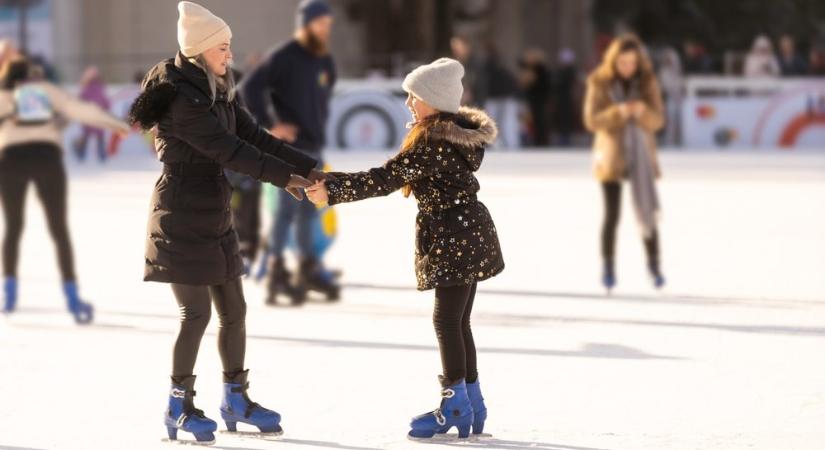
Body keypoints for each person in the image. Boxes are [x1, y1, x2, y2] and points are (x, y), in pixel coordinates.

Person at [127, 2, 328, 444]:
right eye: (222, 47)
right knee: (195, 314)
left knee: (234, 311)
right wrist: (286, 179)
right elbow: (229, 150)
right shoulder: (181, 100)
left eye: (229, 46)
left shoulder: (218, 88)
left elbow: (253, 136)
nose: (229, 55)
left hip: (214, 209)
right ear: (199, 51)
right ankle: (177, 406)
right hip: (179, 213)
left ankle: (235, 400)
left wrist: (311, 168)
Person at [306, 58, 504, 441]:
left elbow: (384, 179)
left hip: (453, 234)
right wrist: (329, 183)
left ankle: (455, 405)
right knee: (458, 321)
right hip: (469, 231)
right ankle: (472, 402)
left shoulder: (434, 142)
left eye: (416, 95)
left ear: (435, 100)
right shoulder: (450, 137)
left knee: (447, 321)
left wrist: (331, 190)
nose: (409, 102)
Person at [0, 56, 129, 323]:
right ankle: (72, 297)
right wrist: (116, 124)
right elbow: (82, 110)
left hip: (11, 161)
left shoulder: (4, 96)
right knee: (58, 229)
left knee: (13, 227)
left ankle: (8, 294)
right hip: (47, 158)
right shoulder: (46, 92)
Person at [239, 0, 338, 305]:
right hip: (288, 150)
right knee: (285, 212)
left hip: (313, 148)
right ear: (305, 23)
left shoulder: (324, 61)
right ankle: (276, 273)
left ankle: (307, 269)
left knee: (311, 210)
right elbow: (249, 88)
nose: (324, 29)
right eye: (319, 23)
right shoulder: (284, 56)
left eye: (327, 24)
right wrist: (272, 125)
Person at [583, 33, 666, 293]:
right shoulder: (599, 81)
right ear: (613, 61)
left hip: (641, 154)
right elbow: (592, 120)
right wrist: (618, 112)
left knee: (646, 209)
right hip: (611, 154)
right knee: (612, 215)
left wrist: (642, 112)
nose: (628, 68)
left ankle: (654, 265)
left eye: (632, 62)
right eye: (622, 63)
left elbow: (658, 121)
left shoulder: (647, 81)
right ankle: (608, 266)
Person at [482, 42, 520, 149]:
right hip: (502, 94)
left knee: (503, 121)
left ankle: (509, 144)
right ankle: (509, 144)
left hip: (499, 95)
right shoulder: (499, 64)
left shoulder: (488, 65)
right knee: (504, 122)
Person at [73, 66, 112, 162]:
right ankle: (102, 156)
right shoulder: (100, 88)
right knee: (100, 137)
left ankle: (81, 155)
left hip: (88, 117)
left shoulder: (85, 88)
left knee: (86, 136)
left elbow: (79, 101)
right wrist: (106, 107)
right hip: (98, 117)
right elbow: (105, 102)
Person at [519, 48, 551, 146]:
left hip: (540, 98)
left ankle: (542, 140)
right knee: (531, 120)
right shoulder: (527, 67)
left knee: (540, 119)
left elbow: (545, 84)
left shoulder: (541, 69)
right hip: (531, 98)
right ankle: (535, 139)